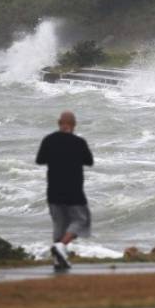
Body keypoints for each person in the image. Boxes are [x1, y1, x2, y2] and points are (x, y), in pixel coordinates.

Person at [36, 111, 94, 270]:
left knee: (59, 224)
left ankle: (58, 259)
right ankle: (61, 246)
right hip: (74, 190)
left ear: (59, 122)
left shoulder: (48, 140)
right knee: (82, 220)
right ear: (74, 125)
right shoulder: (79, 142)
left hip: (53, 190)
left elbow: (40, 160)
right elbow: (89, 161)